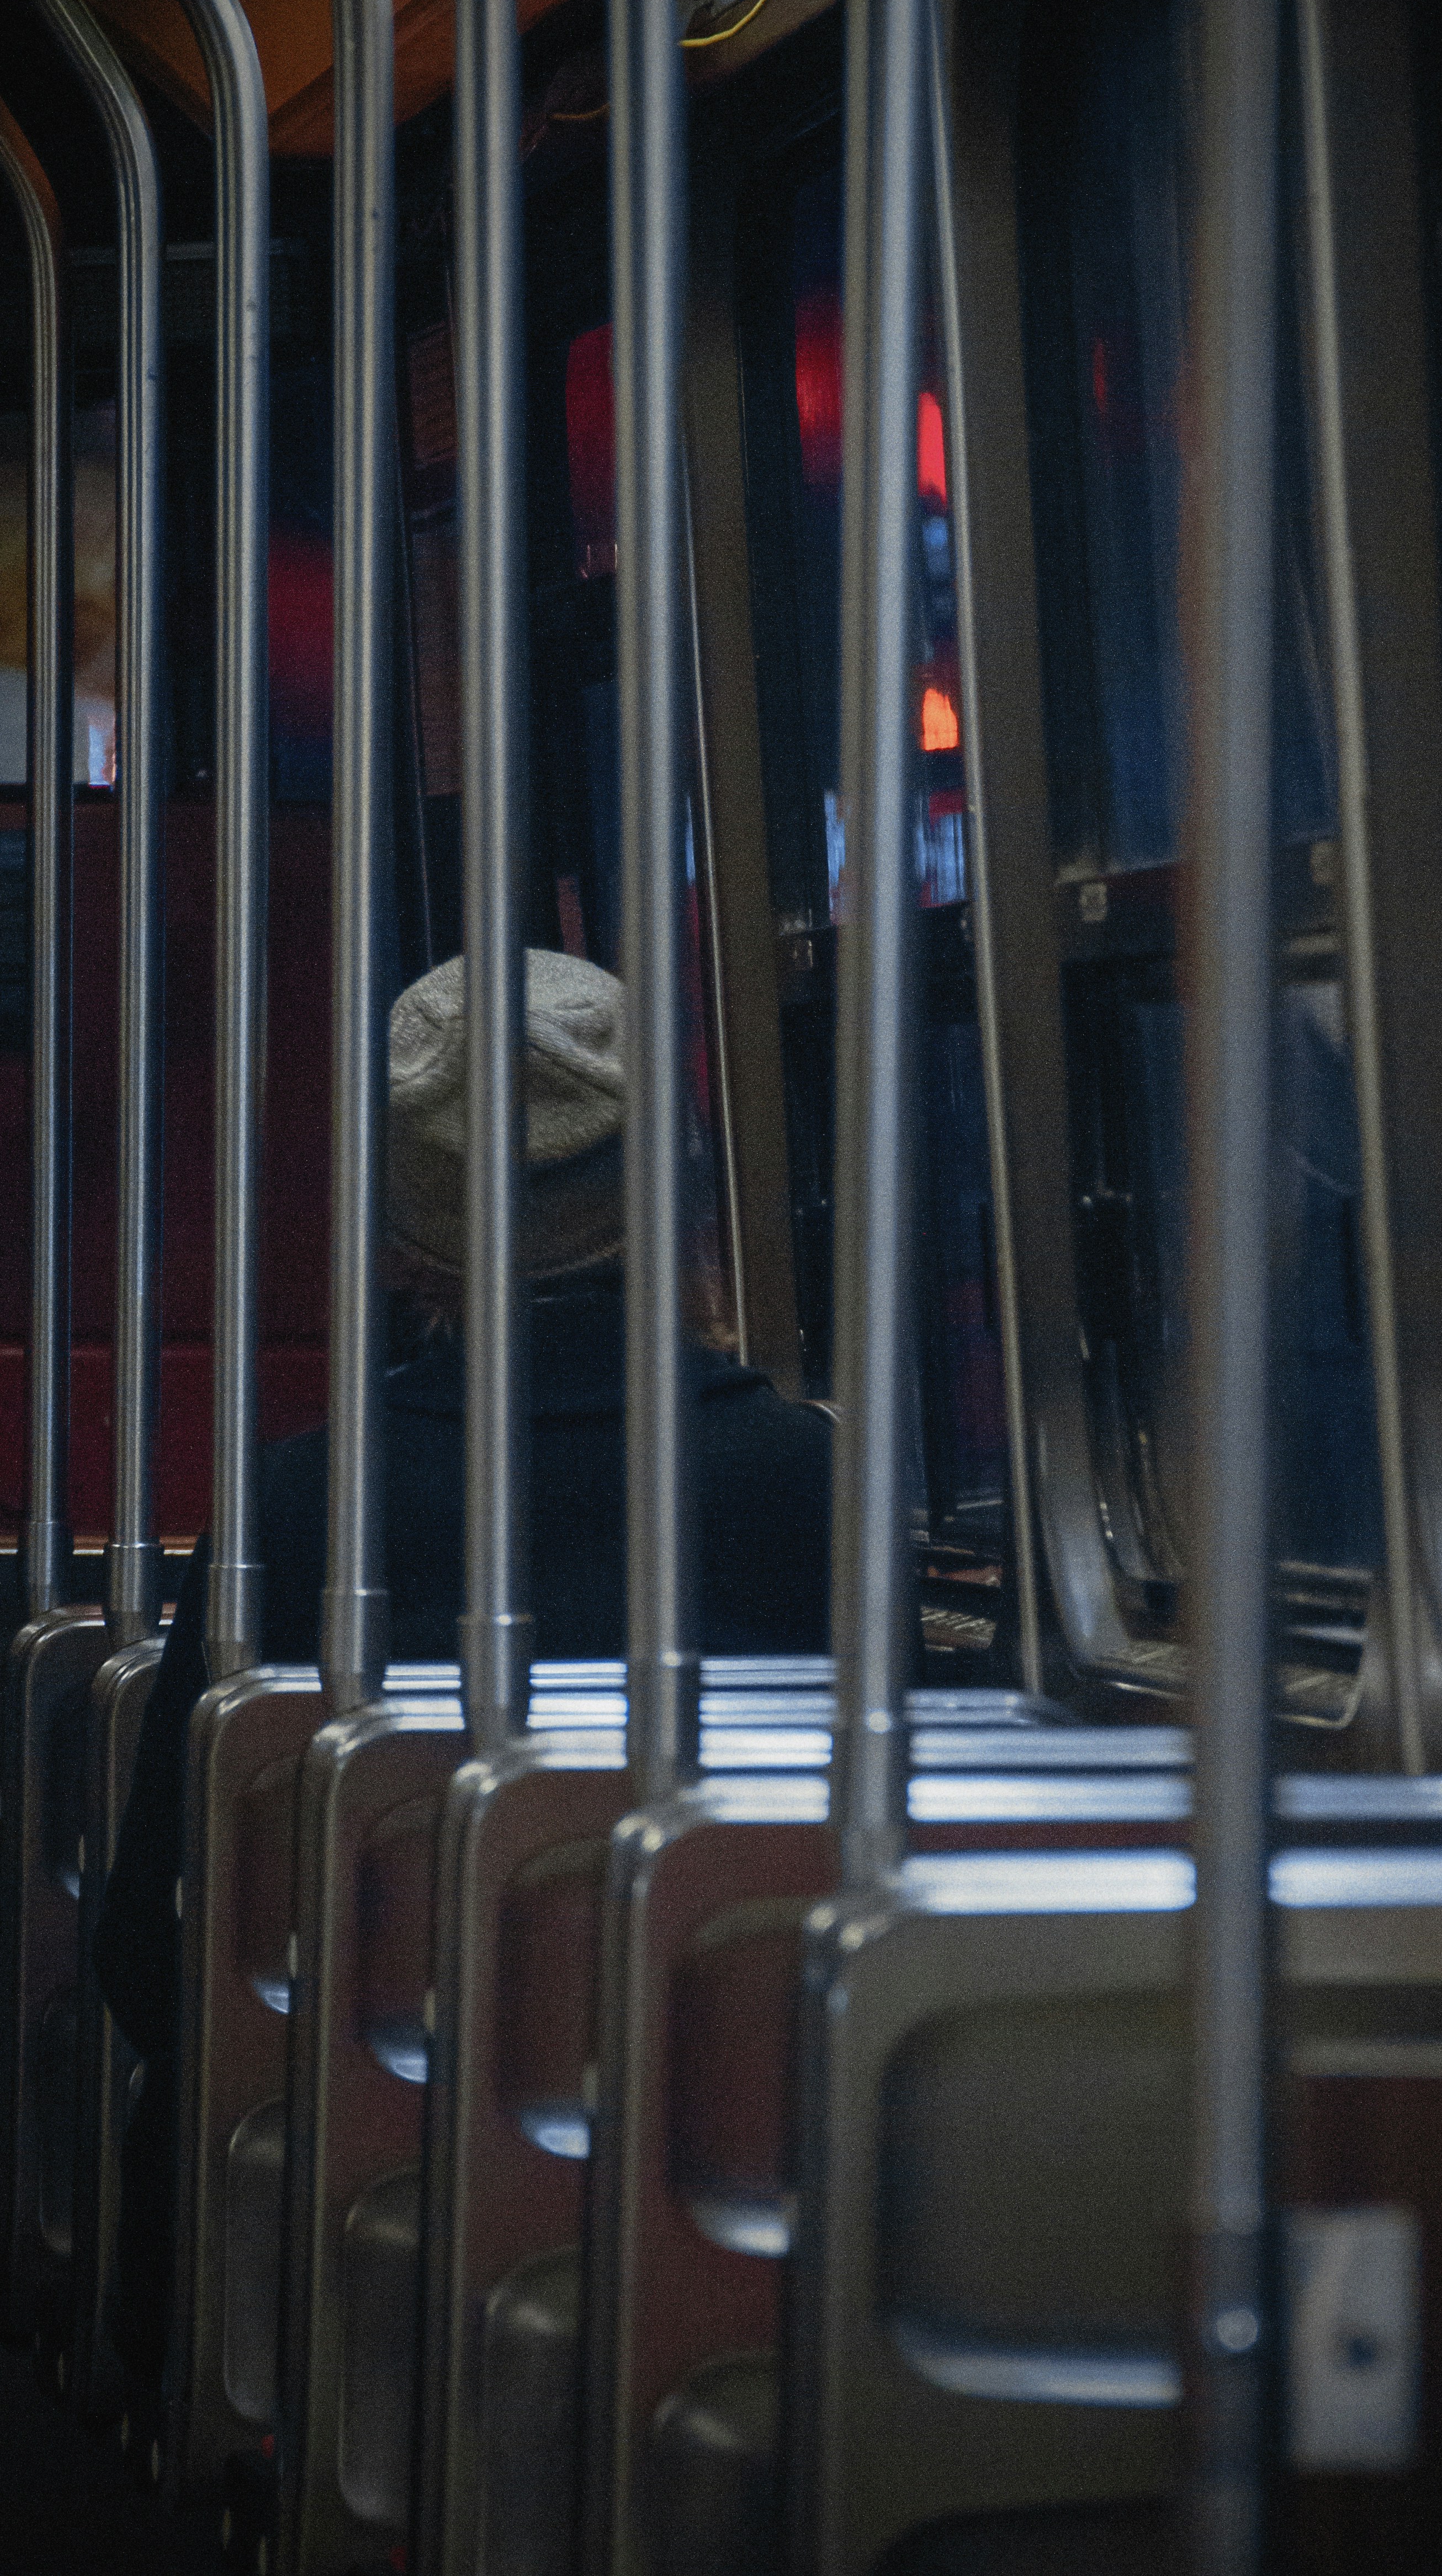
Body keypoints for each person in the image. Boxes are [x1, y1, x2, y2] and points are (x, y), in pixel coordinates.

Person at [93, 948, 833, 2384]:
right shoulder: (812, 1489)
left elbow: (151, 1949)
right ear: (680, 1203)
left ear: (400, 1238)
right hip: (730, 2227)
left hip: (338, 2261)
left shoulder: (300, 1506)